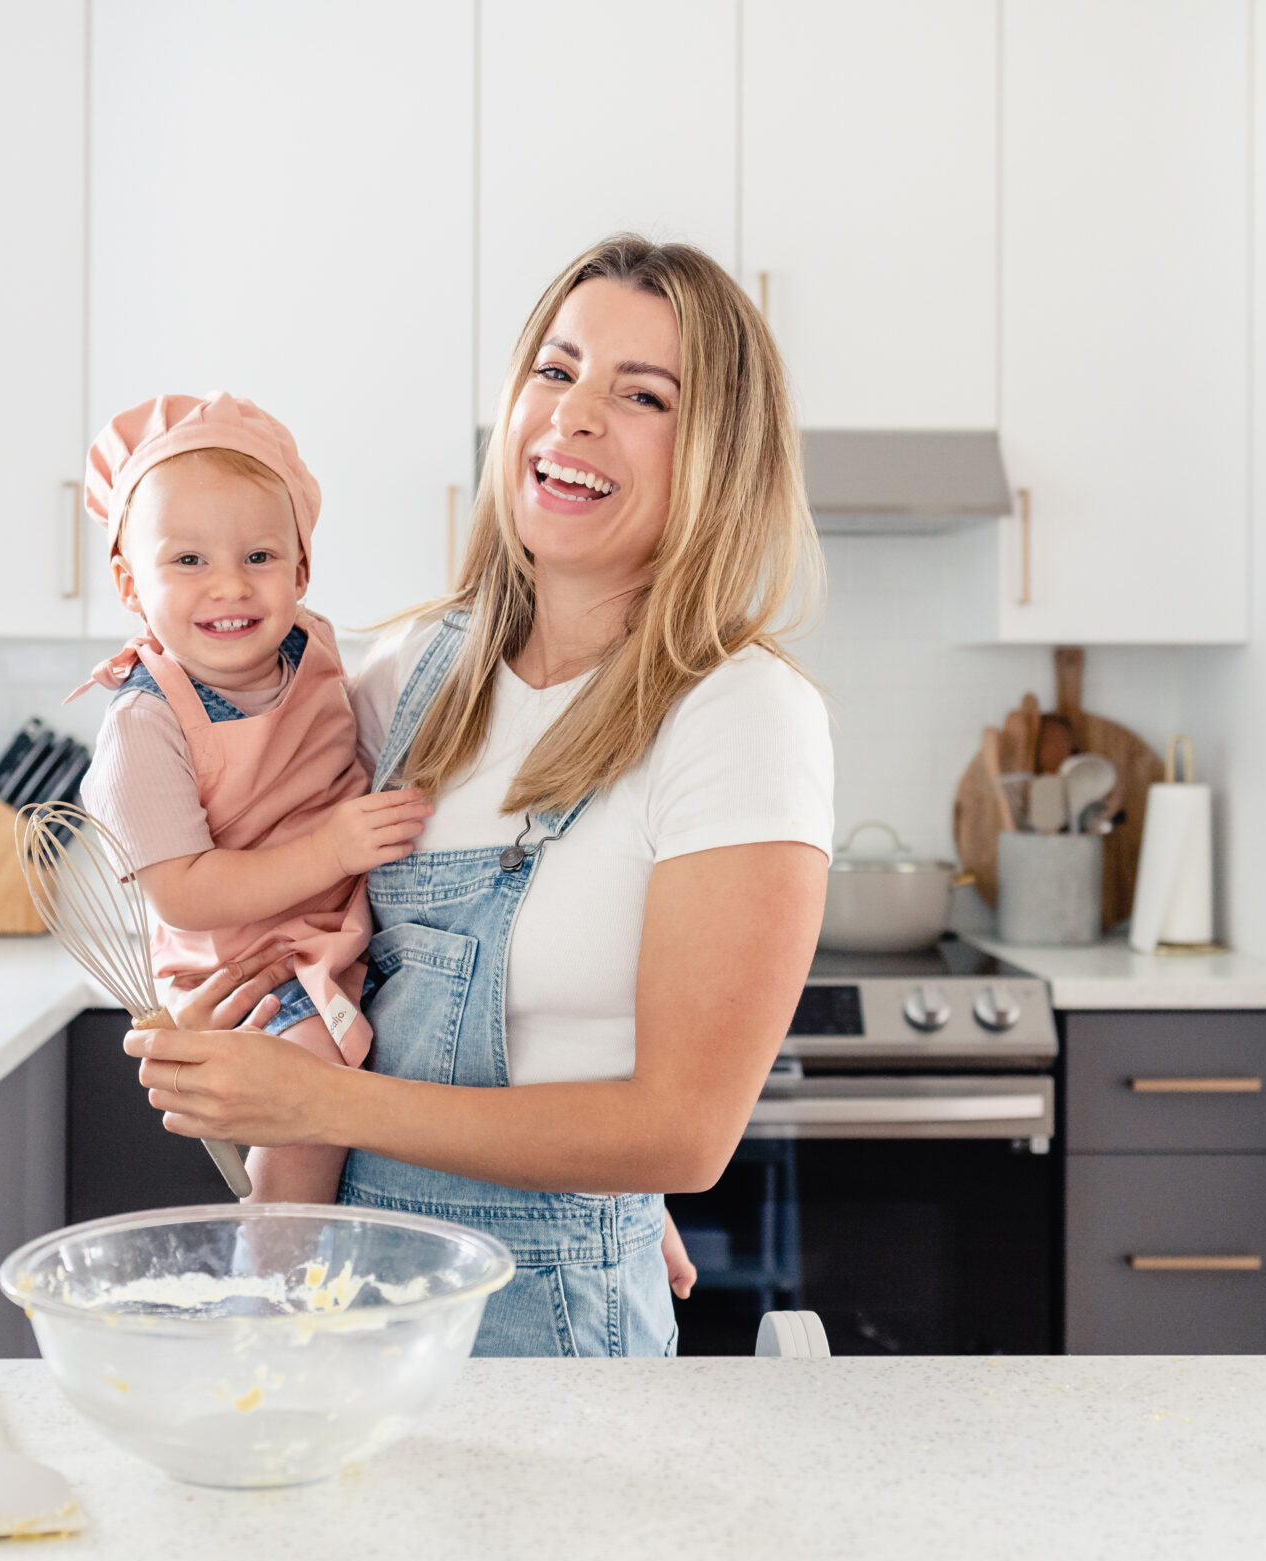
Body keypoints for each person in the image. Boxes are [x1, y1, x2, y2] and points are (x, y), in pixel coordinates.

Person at [129, 236, 833, 1355]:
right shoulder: (408, 677)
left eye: (640, 394)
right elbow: (211, 822)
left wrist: (318, 1105)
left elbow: (682, 1134)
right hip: (349, 1306)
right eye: (554, 372)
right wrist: (227, 1012)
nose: (575, 415)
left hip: (546, 1328)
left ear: (716, 454)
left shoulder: (738, 716)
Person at [70, 392, 426, 1203]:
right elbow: (186, 893)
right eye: (188, 561)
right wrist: (333, 850)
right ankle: (274, 1291)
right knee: (308, 1099)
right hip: (248, 966)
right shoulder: (145, 722)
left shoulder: (324, 654)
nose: (229, 586)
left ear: (302, 572)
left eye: (259, 558)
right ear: (131, 584)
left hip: (348, 933)